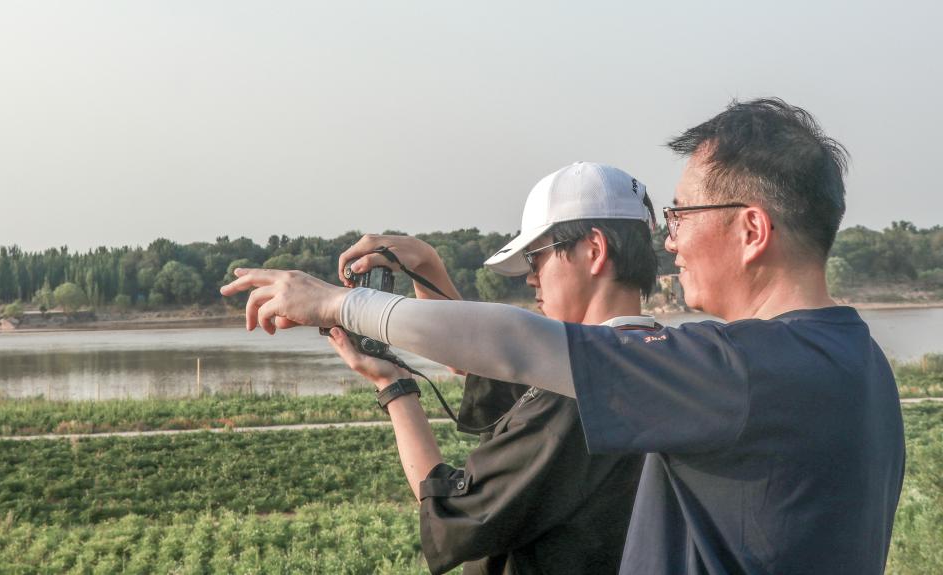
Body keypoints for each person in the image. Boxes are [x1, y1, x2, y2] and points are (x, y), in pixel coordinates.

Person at [221, 98, 905, 574]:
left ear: (751, 229)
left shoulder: (740, 370)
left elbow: (523, 347)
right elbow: (509, 373)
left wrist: (338, 301)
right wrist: (429, 273)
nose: (672, 238)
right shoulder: (858, 361)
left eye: (684, 214)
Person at [327, 162, 657, 574]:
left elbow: (452, 514)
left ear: (594, 250)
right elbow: (474, 357)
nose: (531, 279)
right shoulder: (658, 359)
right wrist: (426, 264)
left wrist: (393, 386)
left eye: (535, 258)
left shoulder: (574, 398)